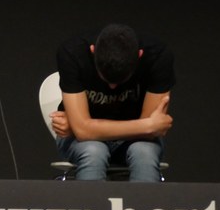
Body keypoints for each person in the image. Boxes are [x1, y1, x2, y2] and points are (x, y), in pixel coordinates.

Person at [49, 23, 175, 182]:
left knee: (144, 153)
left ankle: (142, 200)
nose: (112, 87)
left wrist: (81, 126)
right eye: (105, 78)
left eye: (121, 80)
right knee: (94, 151)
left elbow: (147, 134)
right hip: (82, 142)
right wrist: (148, 125)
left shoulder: (157, 55)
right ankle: (91, 200)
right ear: (93, 51)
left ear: (140, 55)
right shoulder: (72, 52)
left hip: (136, 141)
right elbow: (83, 132)